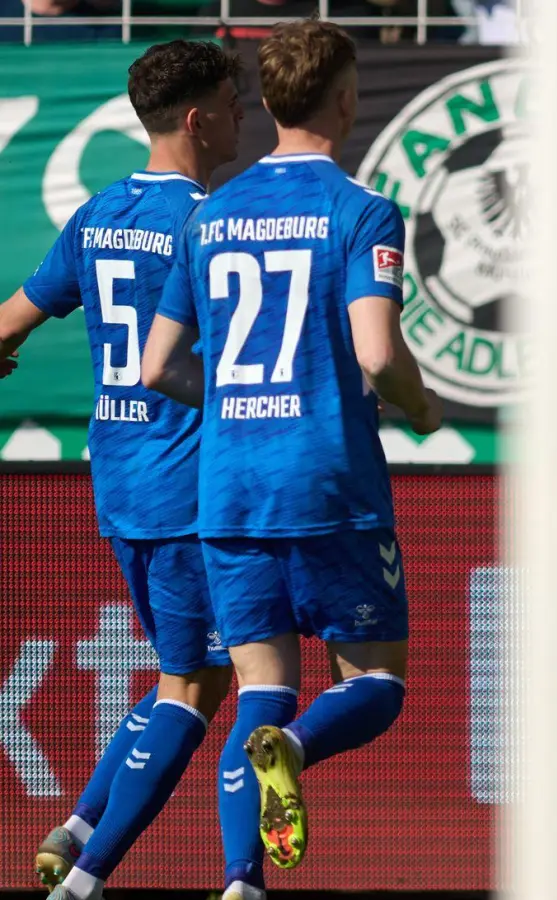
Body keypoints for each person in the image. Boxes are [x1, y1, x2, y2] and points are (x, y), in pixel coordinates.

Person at [141, 19, 442, 900]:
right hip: (327, 484)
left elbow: (159, 365)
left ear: (266, 103)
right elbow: (379, 355)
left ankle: (242, 883)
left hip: (227, 489)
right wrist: (422, 410)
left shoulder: (212, 213)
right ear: (346, 101)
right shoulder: (361, 210)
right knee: (378, 682)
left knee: (258, 690)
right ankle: (300, 749)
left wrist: (235, 399)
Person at [0, 40, 243, 900]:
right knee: (206, 681)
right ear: (196, 117)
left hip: (120, 479)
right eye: (232, 100)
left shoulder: (98, 212)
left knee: (197, 672)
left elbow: (6, 324)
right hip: (186, 486)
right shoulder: (209, 221)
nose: (243, 115)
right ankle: (88, 880)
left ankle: (76, 830)